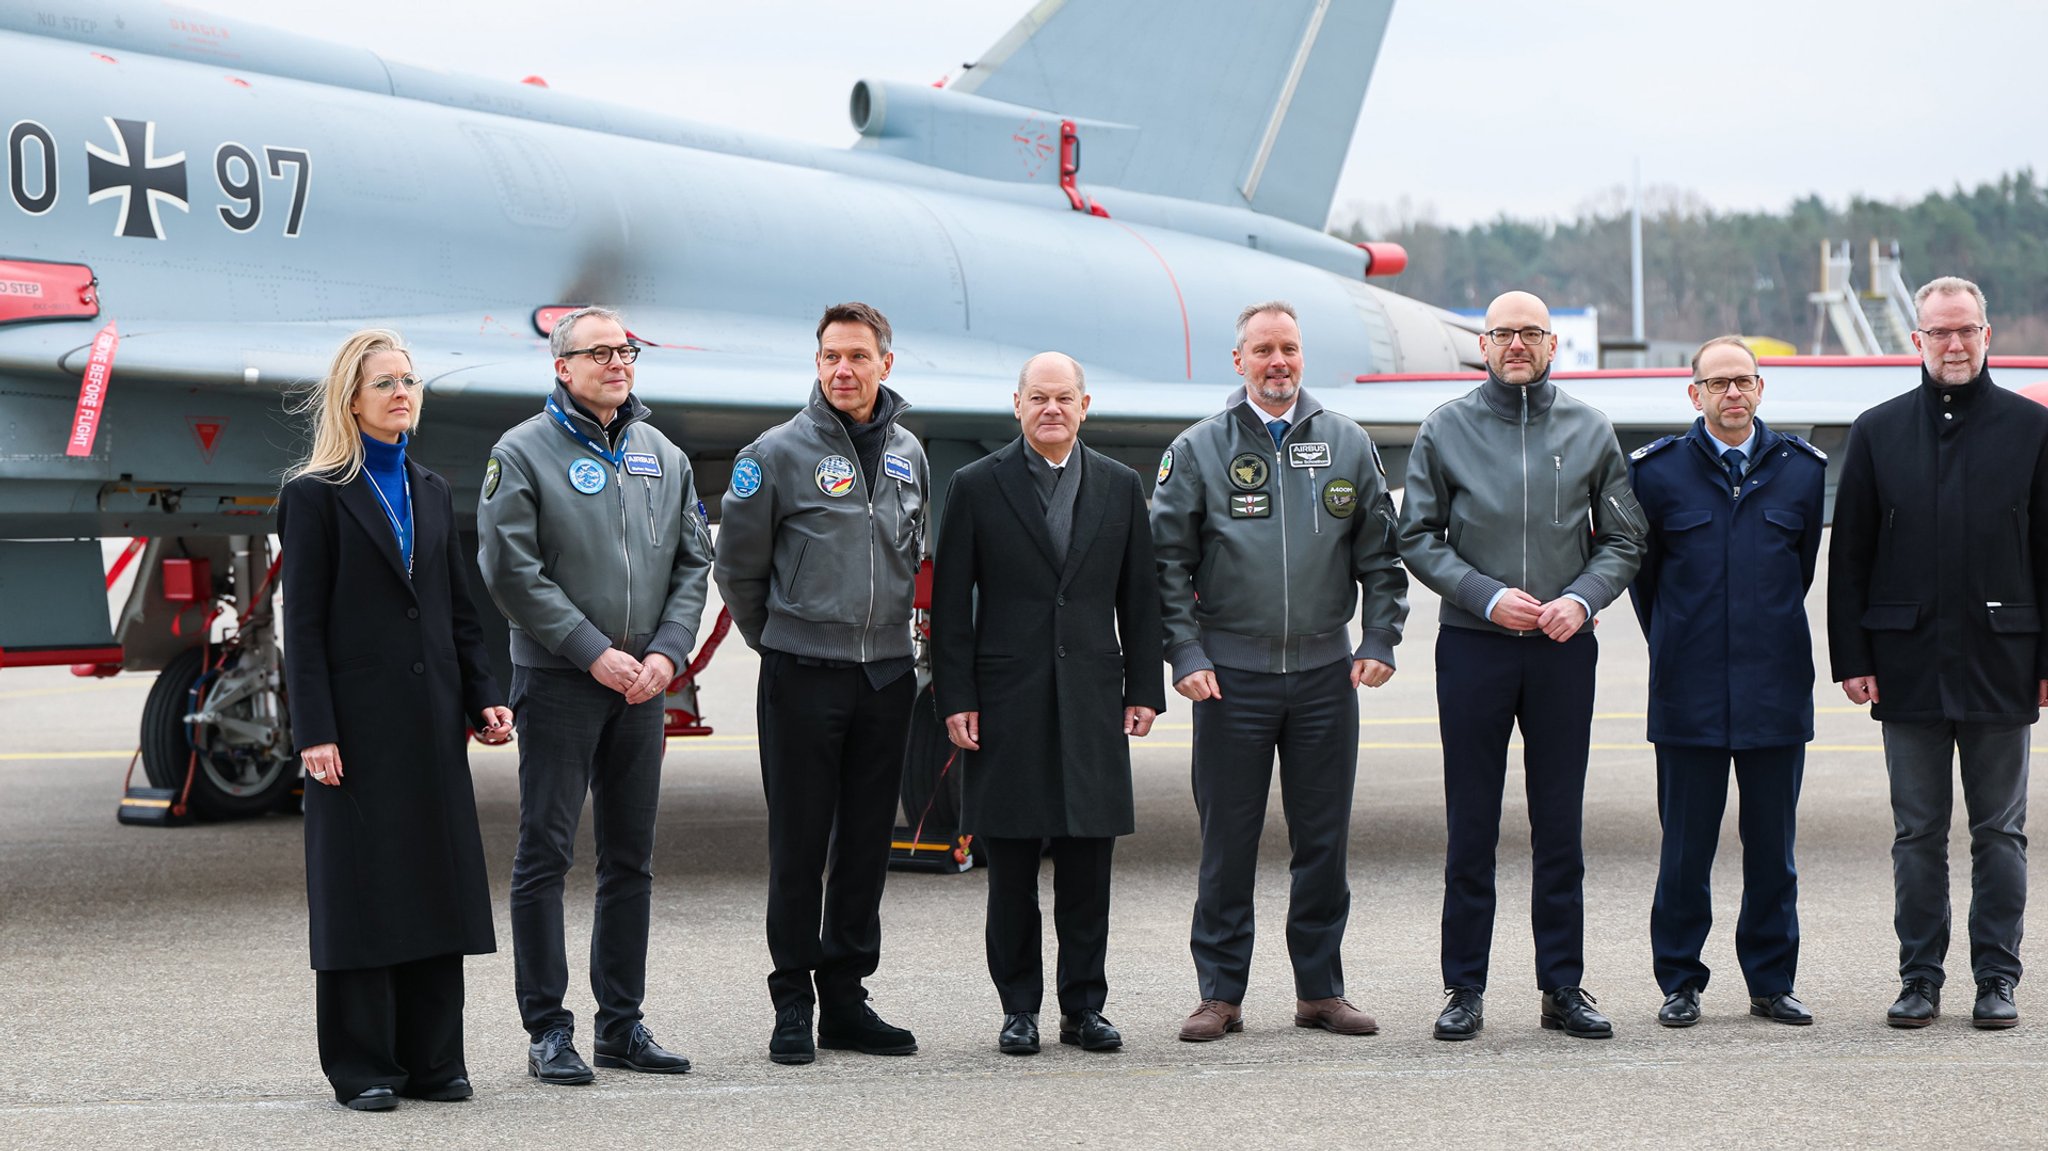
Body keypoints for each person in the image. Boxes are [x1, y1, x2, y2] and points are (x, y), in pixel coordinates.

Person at [1150, 300, 1408, 1044]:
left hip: (1327, 674)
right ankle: (1221, 992)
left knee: (1323, 842)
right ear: (1239, 361)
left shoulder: (1347, 443)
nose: (1278, 362)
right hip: (1232, 679)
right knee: (1227, 842)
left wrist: (1381, 637)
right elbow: (1167, 564)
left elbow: (1380, 558)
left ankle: (1320, 990)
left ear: (1303, 356)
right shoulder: (1199, 449)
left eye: (1289, 348)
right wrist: (1185, 653)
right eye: (1262, 349)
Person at [1397, 289, 1646, 1041]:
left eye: (1530, 333)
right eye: (1503, 333)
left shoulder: (1590, 428)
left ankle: (1562, 986)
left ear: (1551, 345)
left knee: (1559, 826)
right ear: (1483, 343)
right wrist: (1485, 594)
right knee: (1471, 824)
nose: (1516, 345)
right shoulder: (1445, 428)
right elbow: (1418, 535)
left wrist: (1583, 595)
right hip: (1474, 647)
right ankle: (1464, 986)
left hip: (1563, 650)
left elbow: (1625, 540)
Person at [478, 305, 713, 1083]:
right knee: (545, 853)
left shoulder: (662, 455)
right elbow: (511, 569)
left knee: (630, 858)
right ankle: (548, 1028)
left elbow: (691, 563)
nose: (618, 362)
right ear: (562, 366)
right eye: (600, 351)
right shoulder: (521, 453)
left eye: (627, 350)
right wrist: (591, 650)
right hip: (558, 680)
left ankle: (623, 1023)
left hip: (642, 685)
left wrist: (668, 654)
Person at [280, 329, 513, 1111]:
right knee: (362, 892)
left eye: (409, 380)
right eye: (384, 382)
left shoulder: (434, 488)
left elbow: (460, 611)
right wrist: (314, 728)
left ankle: (435, 1059)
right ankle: (363, 1065)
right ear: (353, 398)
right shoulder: (314, 494)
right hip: (352, 728)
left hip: (431, 724)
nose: (401, 392)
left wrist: (483, 694)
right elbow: (303, 624)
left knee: (433, 888)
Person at [1828, 275, 2048, 1031]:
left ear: (1988, 335)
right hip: (1907, 659)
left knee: (2000, 831)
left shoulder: (2032, 429)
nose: (1954, 344)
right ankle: (1920, 976)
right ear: (1915, 340)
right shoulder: (1876, 429)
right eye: (1939, 333)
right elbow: (1849, 555)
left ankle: (1997, 979)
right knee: (1917, 831)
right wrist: (1852, 654)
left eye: (1966, 331)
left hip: (2003, 656)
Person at [714, 301, 931, 1064]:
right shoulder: (774, 452)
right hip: (803, 675)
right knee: (799, 844)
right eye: (831, 357)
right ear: (817, 364)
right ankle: (791, 1001)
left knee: (868, 844)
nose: (844, 370)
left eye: (858, 357)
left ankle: (846, 997)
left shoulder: (908, 451)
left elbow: (909, 551)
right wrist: (779, 641)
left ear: (885, 364)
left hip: (885, 675)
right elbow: (737, 567)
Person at [930, 352, 1165, 1056]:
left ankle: (1084, 1006)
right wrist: (957, 696)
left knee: (1088, 868)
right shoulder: (976, 486)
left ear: (1085, 406)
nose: (1052, 408)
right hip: (1007, 701)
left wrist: (1144, 689)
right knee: (1010, 873)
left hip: (1093, 699)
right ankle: (1018, 1008)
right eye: (1039, 397)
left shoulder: (1121, 487)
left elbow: (1141, 597)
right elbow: (950, 608)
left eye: (1064, 397)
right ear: (1017, 404)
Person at [1627, 335, 1825, 1028]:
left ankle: (1772, 982)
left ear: (1761, 388)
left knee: (1773, 852)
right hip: (1689, 693)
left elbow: (1798, 571)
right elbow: (1647, 585)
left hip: (1774, 691)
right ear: (1695, 394)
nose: (1732, 393)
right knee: (1685, 851)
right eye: (1718, 383)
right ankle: (1680, 981)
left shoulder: (1801, 470)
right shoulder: (1656, 473)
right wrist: (1682, 644)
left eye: (1743, 380)